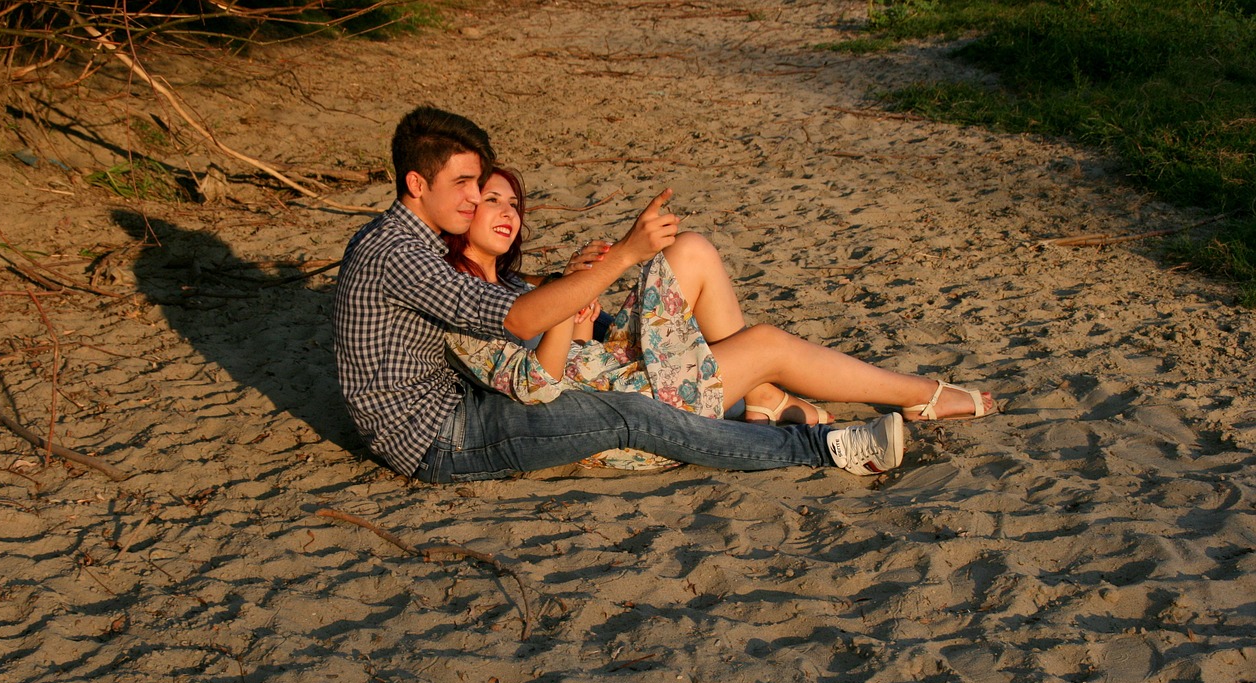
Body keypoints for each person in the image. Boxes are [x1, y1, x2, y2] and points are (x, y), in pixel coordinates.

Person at [332, 106, 905, 484]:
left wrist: (564, 288)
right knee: (630, 415)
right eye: (462, 185)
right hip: (437, 439)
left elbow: (509, 305)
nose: (472, 200)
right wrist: (625, 256)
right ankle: (824, 446)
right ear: (416, 183)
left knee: (629, 401)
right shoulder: (401, 254)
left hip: (462, 408)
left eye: (479, 187)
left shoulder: (409, 244)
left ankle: (762, 408)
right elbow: (514, 319)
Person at [440, 166, 995, 470]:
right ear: (463, 214)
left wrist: (580, 297)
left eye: (514, 204)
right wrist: (568, 296)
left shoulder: (511, 284)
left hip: (617, 370)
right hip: (631, 416)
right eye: (492, 201)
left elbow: (578, 344)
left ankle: (764, 396)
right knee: (768, 343)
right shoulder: (458, 300)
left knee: (691, 249)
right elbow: (540, 385)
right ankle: (917, 394)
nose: (508, 213)